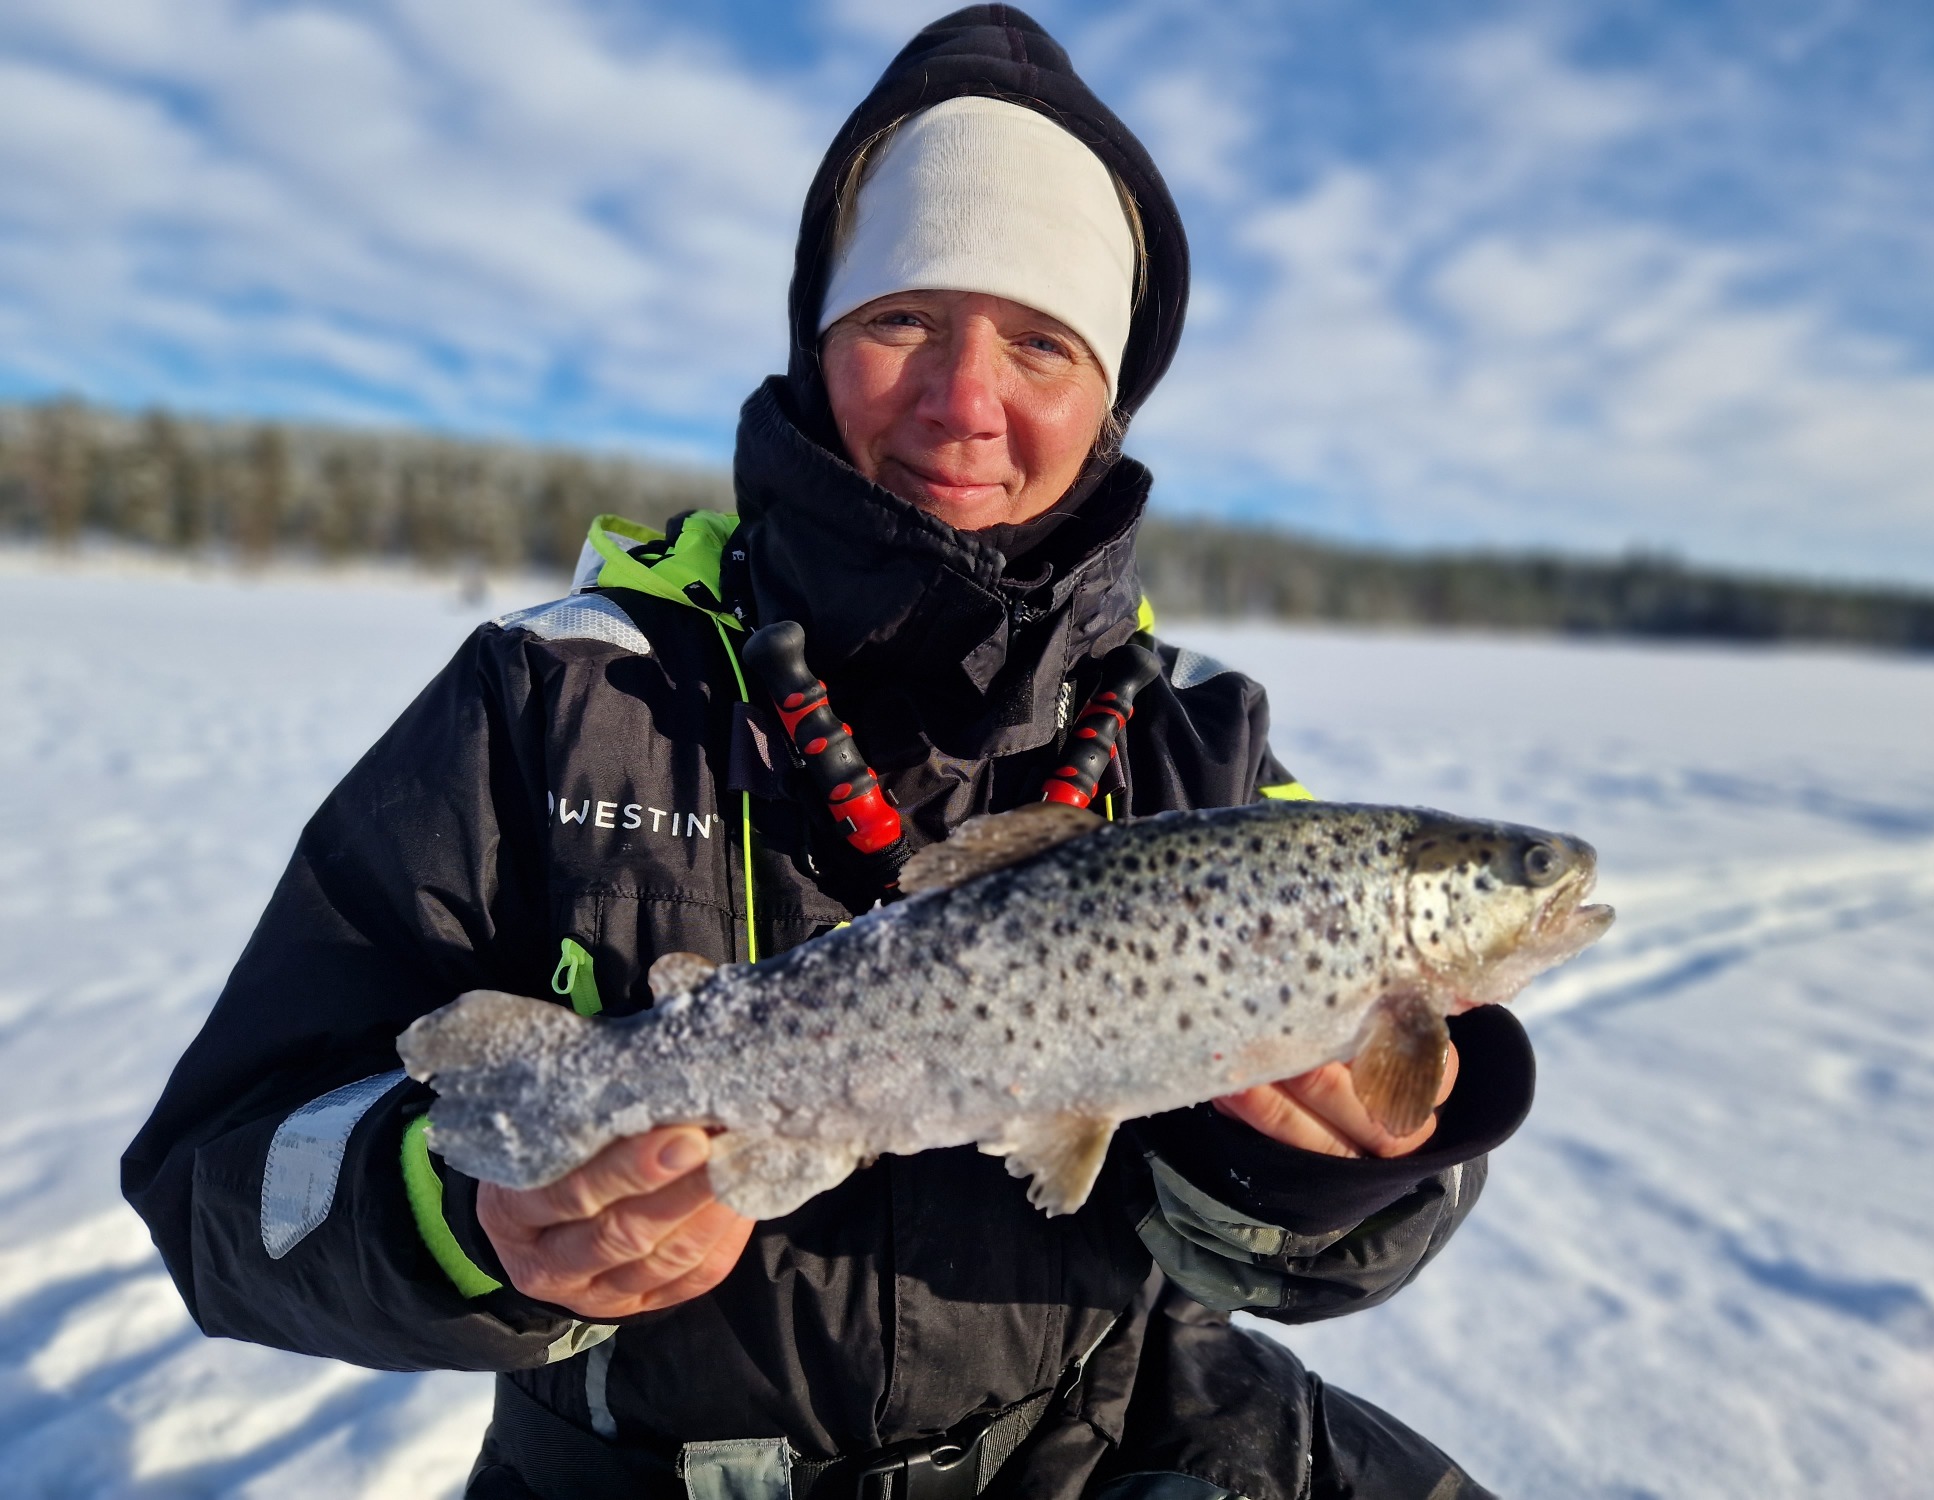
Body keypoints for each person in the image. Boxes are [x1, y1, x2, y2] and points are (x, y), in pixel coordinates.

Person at [124, 10, 1534, 1499]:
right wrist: (463, 1214)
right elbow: (222, 1183)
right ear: (817, 347)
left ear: (1108, 403)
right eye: (902, 320)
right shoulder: (561, 695)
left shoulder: (1200, 744)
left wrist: (1312, 1172)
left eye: (1042, 342)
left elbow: (1384, 1225)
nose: (964, 401)